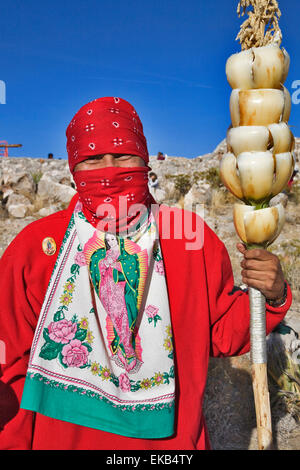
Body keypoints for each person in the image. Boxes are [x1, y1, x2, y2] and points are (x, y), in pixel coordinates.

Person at [0, 97, 292, 450]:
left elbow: (224, 334)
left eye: (123, 156)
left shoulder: (188, 239)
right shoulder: (36, 247)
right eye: (92, 160)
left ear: (145, 160)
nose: (109, 170)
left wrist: (271, 293)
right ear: (72, 170)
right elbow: (10, 360)